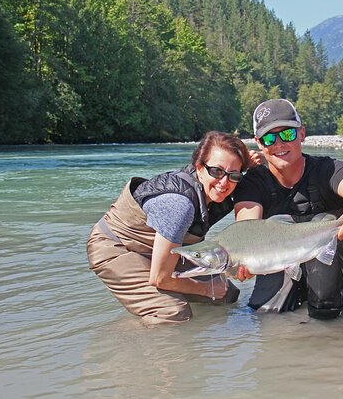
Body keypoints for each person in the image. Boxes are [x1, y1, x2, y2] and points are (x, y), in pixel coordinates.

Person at [233, 99, 343, 319]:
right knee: (266, 316)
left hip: (330, 261)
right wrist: (240, 257)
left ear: (302, 134)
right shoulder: (253, 183)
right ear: (259, 143)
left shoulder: (329, 169)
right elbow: (245, 230)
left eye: (287, 134)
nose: (278, 144)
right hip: (282, 261)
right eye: (269, 137)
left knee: (325, 311)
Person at [87, 131, 253, 325]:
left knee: (227, 294)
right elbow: (160, 278)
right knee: (174, 312)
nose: (224, 183)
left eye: (233, 175)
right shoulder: (179, 206)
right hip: (117, 247)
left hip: (159, 248)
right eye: (216, 171)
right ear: (199, 168)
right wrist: (206, 289)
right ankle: (128, 342)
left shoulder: (214, 188)